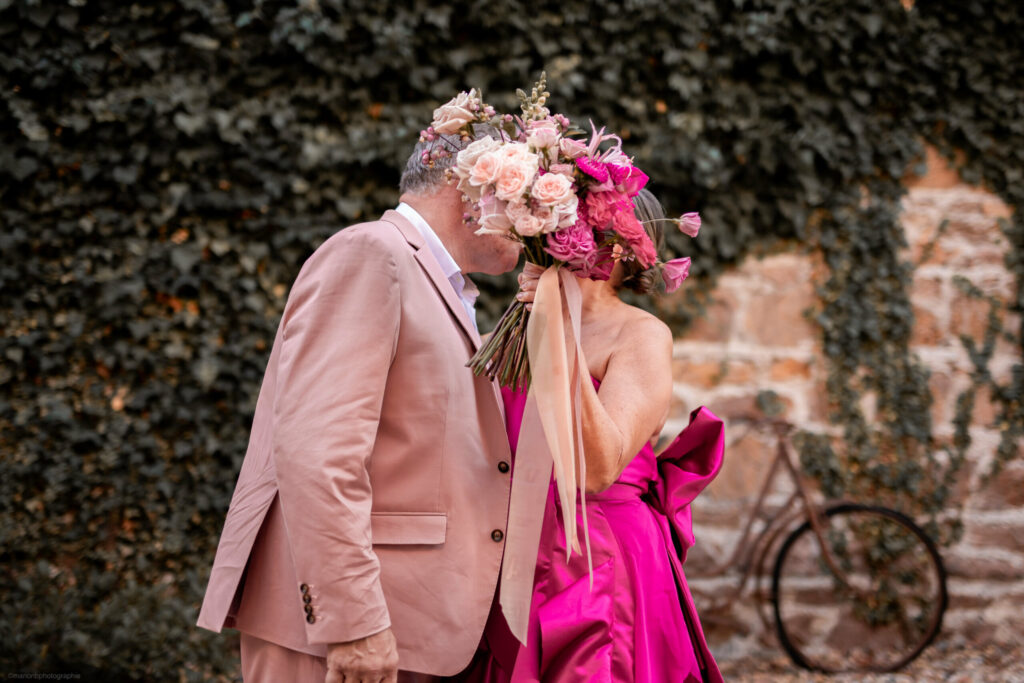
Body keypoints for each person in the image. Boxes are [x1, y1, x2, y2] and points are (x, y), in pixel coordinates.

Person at [196, 126, 522, 682]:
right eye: (525, 196)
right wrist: (353, 622)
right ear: (469, 187)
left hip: (418, 625)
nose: (539, 220)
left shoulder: (446, 287)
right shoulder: (373, 253)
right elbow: (318, 453)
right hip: (346, 636)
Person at [465, 189, 725, 682]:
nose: (560, 235)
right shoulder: (508, 333)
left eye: (575, 224)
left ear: (622, 249)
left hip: (600, 555)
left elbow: (599, 468)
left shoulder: (642, 335)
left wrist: (559, 335)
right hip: (514, 546)